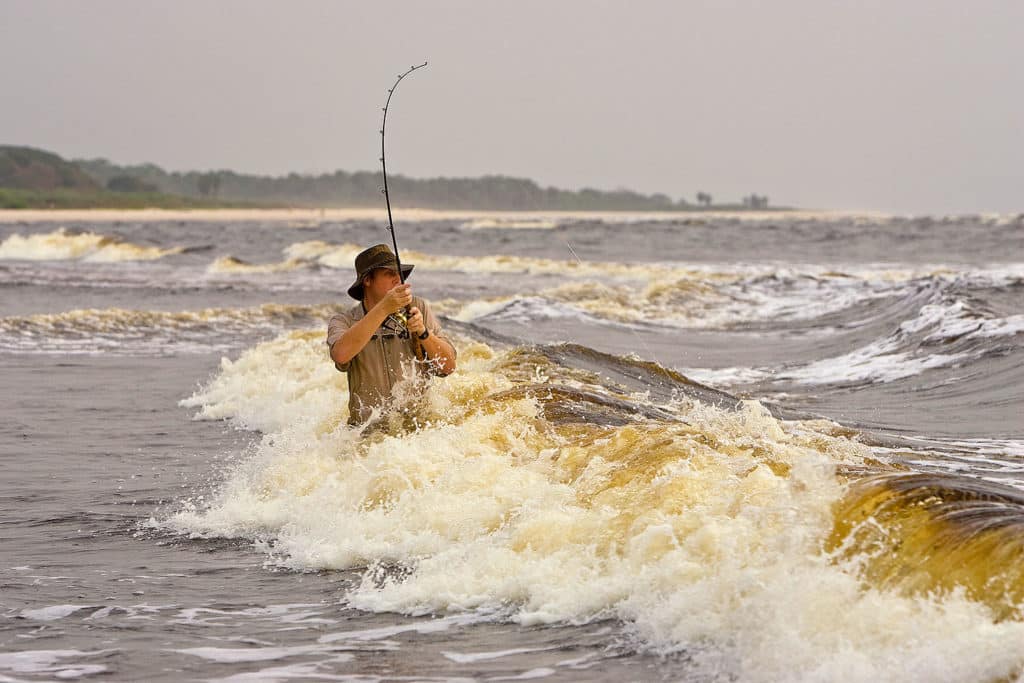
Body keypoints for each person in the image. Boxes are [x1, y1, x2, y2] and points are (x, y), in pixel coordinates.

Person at [327, 243, 456, 425]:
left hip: (418, 430)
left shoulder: (417, 308)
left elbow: (448, 367)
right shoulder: (344, 322)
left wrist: (424, 333)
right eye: (390, 274)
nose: (398, 279)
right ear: (367, 280)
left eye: (399, 273)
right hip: (367, 434)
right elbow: (341, 355)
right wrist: (383, 308)